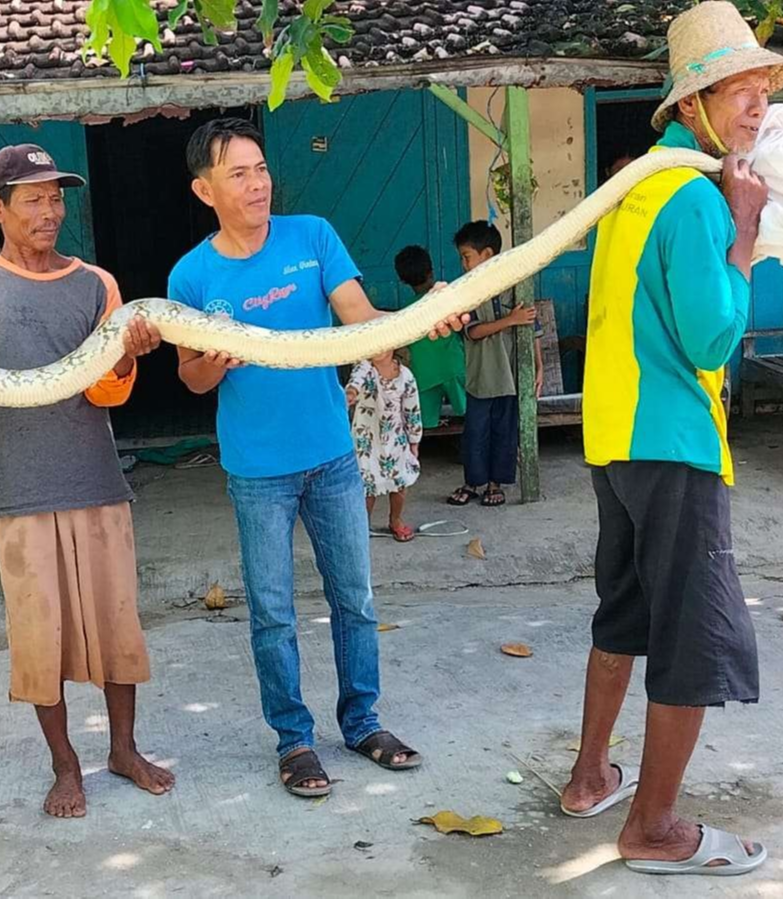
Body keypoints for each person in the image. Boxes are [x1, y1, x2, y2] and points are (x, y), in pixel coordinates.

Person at [169, 117, 467, 798]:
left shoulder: (313, 236)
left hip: (332, 456)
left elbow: (360, 314)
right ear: (204, 189)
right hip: (257, 469)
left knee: (355, 599)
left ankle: (362, 721)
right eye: (239, 173)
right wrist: (213, 364)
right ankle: (294, 739)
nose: (258, 183)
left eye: (262, 168)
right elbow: (189, 377)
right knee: (273, 611)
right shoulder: (191, 275)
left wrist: (422, 317)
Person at [559, 1, 783, 877]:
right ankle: (651, 826)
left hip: (614, 439)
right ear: (690, 105)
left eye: (761, 88)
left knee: (623, 610)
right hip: (676, 443)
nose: (755, 105)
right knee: (693, 636)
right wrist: (745, 232)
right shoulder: (695, 198)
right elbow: (711, 339)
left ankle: (591, 777)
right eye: (735, 90)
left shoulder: (632, 188)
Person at [0, 144, 173, 819]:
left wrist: (128, 357)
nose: (51, 211)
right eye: (34, 198)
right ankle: (64, 765)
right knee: (38, 636)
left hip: (95, 480)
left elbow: (110, 395)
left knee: (117, 627)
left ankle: (124, 749)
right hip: (16, 492)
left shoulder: (98, 284)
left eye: (57, 197)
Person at [446, 221, 543, 508]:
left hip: (512, 377)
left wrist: (538, 367)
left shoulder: (515, 285)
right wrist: (510, 320)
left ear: (487, 254)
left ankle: (494, 484)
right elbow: (472, 332)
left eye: (467, 256)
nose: (463, 264)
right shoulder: (467, 291)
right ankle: (472, 482)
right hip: (482, 376)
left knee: (505, 433)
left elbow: (533, 327)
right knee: (475, 434)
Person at [345, 351, 422, 542]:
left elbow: (412, 410)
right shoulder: (364, 369)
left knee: (400, 482)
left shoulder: (405, 375)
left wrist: (414, 440)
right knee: (367, 486)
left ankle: (395, 520)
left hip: (395, 438)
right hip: (366, 439)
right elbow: (355, 383)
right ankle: (363, 524)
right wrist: (351, 393)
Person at [392, 245, 466, 430]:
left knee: (425, 424)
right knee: (469, 414)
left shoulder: (406, 312)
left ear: (402, 280)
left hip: (424, 373)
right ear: (431, 271)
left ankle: (418, 455)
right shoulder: (445, 298)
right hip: (454, 366)